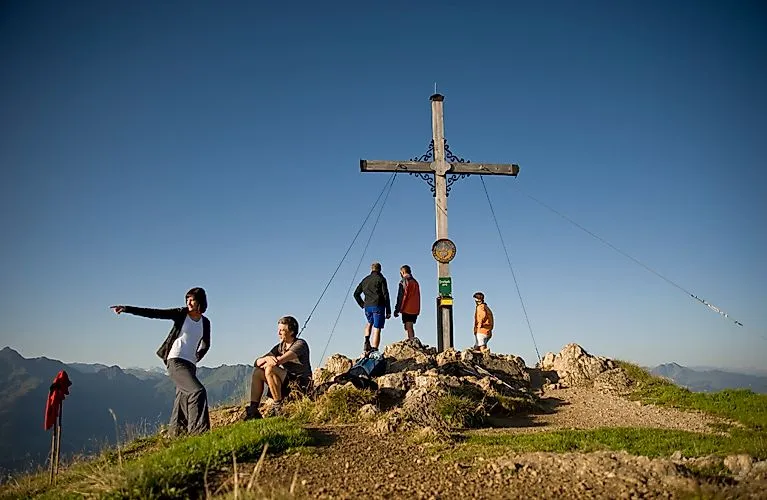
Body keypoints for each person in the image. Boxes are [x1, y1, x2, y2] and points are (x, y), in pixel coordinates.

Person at [111, 287, 211, 436]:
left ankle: (176, 435)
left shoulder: (205, 322)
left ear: (200, 302)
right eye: (187, 299)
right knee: (197, 391)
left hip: (190, 365)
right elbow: (154, 313)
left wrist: (198, 355)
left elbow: (206, 344)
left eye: (192, 300)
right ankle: (199, 434)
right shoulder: (181, 314)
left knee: (182, 399)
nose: (188, 303)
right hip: (176, 361)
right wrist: (126, 309)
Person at [242, 316, 312, 420]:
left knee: (270, 369)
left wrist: (269, 361)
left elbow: (280, 360)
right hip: (287, 382)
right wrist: (267, 359)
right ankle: (253, 410)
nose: (278, 333)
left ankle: (278, 407)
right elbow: (256, 363)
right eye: (278, 330)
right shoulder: (280, 347)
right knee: (257, 372)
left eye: (282, 330)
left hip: (301, 385)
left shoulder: (300, 344)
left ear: (291, 332)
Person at [353, 261, 391, 353]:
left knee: (369, 322)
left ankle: (366, 341)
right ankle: (374, 349)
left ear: (372, 269)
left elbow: (356, 294)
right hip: (378, 305)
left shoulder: (365, 279)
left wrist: (362, 304)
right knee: (377, 327)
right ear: (380, 269)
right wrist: (388, 310)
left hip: (367, 307)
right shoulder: (381, 279)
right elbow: (385, 294)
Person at [393, 265, 421, 340]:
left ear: (402, 272)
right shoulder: (415, 282)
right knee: (409, 325)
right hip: (415, 307)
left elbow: (401, 296)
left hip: (407, 307)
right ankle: (411, 340)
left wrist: (397, 309)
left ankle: (411, 342)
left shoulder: (404, 281)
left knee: (408, 326)